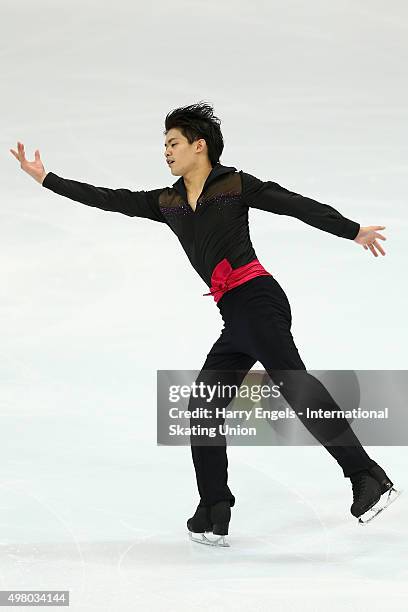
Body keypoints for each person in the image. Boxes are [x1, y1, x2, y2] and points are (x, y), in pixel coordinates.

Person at [10, 101, 400, 547]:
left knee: (293, 383)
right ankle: (214, 507)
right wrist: (47, 179)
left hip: (258, 299)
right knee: (204, 405)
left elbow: (296, 205)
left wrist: (352, 231)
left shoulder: (234, 185)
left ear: (200, 146)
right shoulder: (168, 202)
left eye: (173, 143)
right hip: (234, 316)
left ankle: (368, 476)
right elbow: (109, 199)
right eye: (164, 145)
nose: (166, 151)